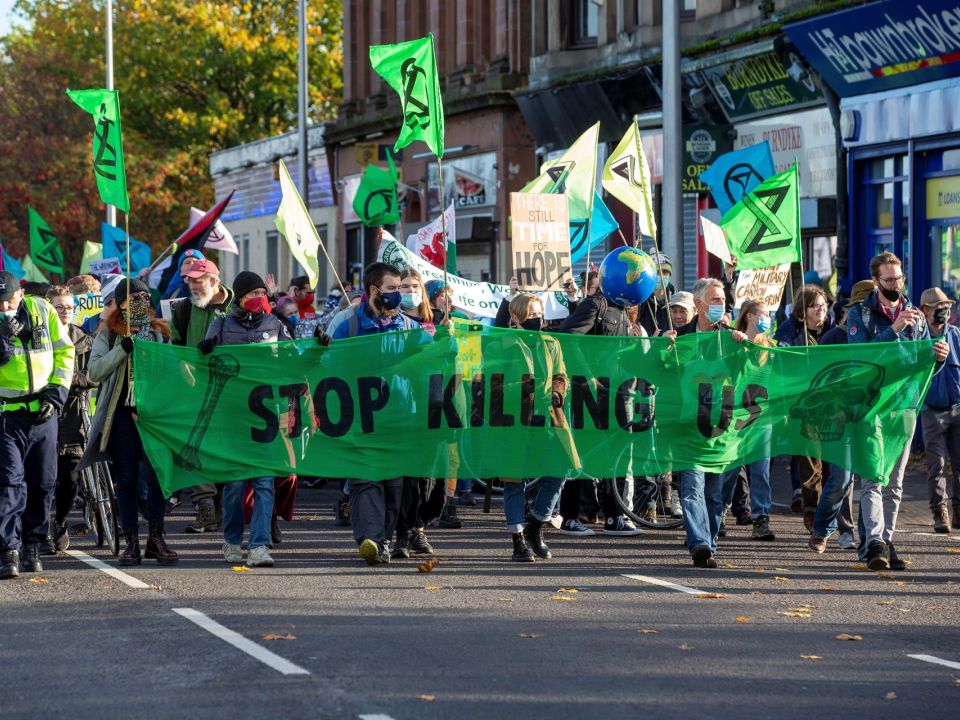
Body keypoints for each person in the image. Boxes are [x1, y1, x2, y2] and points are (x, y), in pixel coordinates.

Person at [846, 251, 949, 570]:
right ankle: (873, 540)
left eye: (900, 278)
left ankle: (886, 540)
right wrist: (893, 329)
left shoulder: (915, 315)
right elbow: (860, 360)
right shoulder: (860, 314)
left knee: (895, 481)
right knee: (873, 477)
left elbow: (920, 367)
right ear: (876, 281)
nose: (896, 284)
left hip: (903, 406)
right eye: (889, 279)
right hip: (870, 406)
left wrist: (937, 358)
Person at [555, 269, 668, 538]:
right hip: (589, 392)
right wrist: (586, 376)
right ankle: (569, 516)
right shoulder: (596, 303)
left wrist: (659, 346)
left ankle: (614, 516)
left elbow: (625, 356)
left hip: (617, 391)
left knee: (614, 454)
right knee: (582, 452)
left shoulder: (625, 312)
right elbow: (568, 337)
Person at [80, 279, 178, 566]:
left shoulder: (159, 332)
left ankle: (156, 539)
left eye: (146, 297)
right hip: (121, 415)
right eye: (135, 297)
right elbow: (95, 371)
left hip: (152, 416)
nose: (142, 301)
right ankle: (131, 541)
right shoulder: (108, 334)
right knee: (126, 479)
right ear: (121, 303)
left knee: (157, 476)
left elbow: (173, 371)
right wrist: (122, 348)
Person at [199, 271, 293, 567]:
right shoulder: (221, 324)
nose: (259, 299)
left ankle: (260, 546)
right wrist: (204, 352)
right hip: (233, 415)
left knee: (265, 482)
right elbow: (203, 363)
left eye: (262, 294)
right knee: (236, 484)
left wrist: (317, 344)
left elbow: (294, 358)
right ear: (239, 298)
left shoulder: (276, 324)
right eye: (253, 294)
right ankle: (231, 539)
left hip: (266, 414)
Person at [331, 262, 420, 565]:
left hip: (399, 420)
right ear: (374, 290)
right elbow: (330, 366)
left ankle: (383, 538)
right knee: (365, 481)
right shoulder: (349, 327)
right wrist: (320, 348)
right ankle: (371, 539)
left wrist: (447, 343)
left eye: (400, 288)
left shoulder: (409, 327)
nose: (399, 295)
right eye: (393, 289)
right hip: (362, 419)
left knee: (393, 487)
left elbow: (433, 359)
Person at [0, 272, 75, 579]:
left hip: (44, 411)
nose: (4, 307)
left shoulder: (42, 310)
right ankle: (9, 550)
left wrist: (56, 394)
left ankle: (33, 542)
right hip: (7, 414)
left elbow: (64, 351)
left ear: (21, 293)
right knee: (9, 483)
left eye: (8, 300)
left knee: (44, 482)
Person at [676, 277, 748, 568]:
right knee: (691, 487)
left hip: (720, 426)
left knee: (714, 493)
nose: (721, 304)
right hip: (687, 426)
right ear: (698, 304)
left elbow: (749, 376)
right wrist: (662, 348)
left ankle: (711, 542)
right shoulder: (679, 337)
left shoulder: (731, 338)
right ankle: (699, 543)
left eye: (723, 300)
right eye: (715, 299)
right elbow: (661, 370)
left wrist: (745, 350)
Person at [498, 294, 570, 561]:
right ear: (516, 317)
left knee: (560, 469)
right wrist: (524, 390)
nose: (537, 319)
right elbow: (492, 381)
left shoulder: (551, 343)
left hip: (549, 417)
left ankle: (536, 524)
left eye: (540, 314)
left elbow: (562, 374)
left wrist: (557, 391)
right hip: (515, 422)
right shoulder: (502, 343)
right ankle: (518, 540)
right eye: (531, 314)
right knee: (514, 480)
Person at [808, 280, 875, 554]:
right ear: (850, 310)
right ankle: (823, 528)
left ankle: (868, 539)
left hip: (870, 417)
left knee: (871, 481)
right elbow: (817, 379)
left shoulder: (878, 336)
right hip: (838, 418)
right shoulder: (833, 338)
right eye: (861, 308)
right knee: (841, 479)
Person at [171, 258, 235, 534]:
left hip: (234, 391)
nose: (193, 286)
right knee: (193, 446)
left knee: (227, 450)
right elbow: (175, 345)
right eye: (190, 281)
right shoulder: (184, 308)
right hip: (194, 391)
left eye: (198, 281)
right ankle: (205, 506)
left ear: (214, 281)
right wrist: (183, 369)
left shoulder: (239, 306)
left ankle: (228, 507)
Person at [775, 283, 834, 532]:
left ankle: (830, 510)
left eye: (822, 305)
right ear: (802, 309)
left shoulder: (834, 329)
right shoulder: (790, 329)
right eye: (813, 306)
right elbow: (779, 352)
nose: (819, 310)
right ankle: (811, 510)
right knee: (810, 462)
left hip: (832, 405)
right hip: (803, 404)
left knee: (832, 463)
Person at [45, 286, 95, 553]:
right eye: (59, 307)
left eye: (69, 307)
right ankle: (39, 527)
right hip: (45, 414)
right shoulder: (40, 337)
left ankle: (61, 522)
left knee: (71, 477)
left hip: (74, 414)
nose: (65, 312)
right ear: (49, 308)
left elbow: (94, 370)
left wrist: (81, 379)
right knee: (42, 478)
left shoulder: (83, 339)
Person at [730, 299, 776, 541]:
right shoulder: (735, 344)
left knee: (760, 472)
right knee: (729, 469)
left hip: (761, 419)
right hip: (735, 417)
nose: (766, 319)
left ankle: (761, 518)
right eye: (763, 314)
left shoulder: (772, 348)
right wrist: (739, 348)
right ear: (749, 316)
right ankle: (716, 514)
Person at [917, 286, 960, 533]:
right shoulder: (918, 337)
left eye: (946, 307)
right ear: (925, 311)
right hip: (932, 411)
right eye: (938, 308)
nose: (944, 311)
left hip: (958, 407)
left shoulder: (955, 335)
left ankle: (958, 511)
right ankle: (939, 512)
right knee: (937, 464)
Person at [637, 251, 674, 335]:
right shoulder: (640, 300)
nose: (661, 275)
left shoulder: (677, 298)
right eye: (657, 272)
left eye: (664, 272)